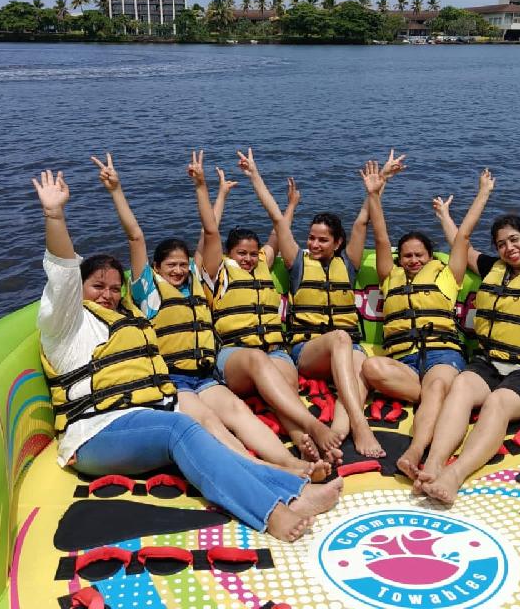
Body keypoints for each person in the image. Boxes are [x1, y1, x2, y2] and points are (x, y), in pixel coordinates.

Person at [30, 168, 343, 541]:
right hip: (94, 432)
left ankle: (296, 490)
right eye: (98, 286)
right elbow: (67, 272)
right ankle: (272, 513)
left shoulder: (128, 318)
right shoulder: (68, 325)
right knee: (181, 428)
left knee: (205, 426)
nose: (108, 295)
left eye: (115, 288)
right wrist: (54, 215)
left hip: (148, 411)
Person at [92, 152, 325, 480]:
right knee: (209, 421)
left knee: (238, 412)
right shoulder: (148, 291)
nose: (178, 270)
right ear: (156, 268)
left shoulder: (197, 283)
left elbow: (210, 232)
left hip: (205, 375)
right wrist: (116, 190)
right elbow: (136, 236)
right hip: (173, 380)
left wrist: (203, 187)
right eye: (170, 265)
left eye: (182, 264)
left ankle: (292, 462)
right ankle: (266, 470)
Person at [414, 205, 520, 506]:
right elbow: (463, 247)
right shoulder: (495, 269)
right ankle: (434, 463)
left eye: (514, 240)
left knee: (497, 402)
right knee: (462, 384)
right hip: (491, 364)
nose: (509, 248)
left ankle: (454, 475)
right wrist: (445, 216)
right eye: (501, 244)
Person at [237, 148, 381, 460]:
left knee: (359, 370)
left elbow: (361, 224)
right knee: (341, 339)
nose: (314, 244)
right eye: (312, 238)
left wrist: (374, 191)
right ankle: (361, 425)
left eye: (322, 240)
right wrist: (254, 175)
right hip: (309, 351)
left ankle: (339, 434)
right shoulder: (298, 263)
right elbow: (277, 219)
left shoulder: (348, 263)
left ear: (338, 243)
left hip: (346, 348)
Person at [360, 165, 496, 484]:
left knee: (435, 385)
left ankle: (416, 451)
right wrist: (374, 194)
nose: (413, 260)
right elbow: (380, 236)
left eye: (419, 255)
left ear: (431, 256)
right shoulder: (389, 276)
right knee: (370, 367)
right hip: (404, 361)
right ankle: (436, 402)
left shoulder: (448, 276)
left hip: (441, 355)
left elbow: (463, 236)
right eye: (407, 256)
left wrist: (483, 193)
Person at [201, 167, 340, 470]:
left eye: (253, 254)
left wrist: (291, 206)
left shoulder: (263, 262)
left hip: (273, 350)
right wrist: (219, 194)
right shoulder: (217, 271)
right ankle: (313, 425)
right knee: (258, 360)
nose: (248, 259)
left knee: (286, 381)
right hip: (235, 358)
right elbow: (209, 231)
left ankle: (303, 445)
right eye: (241, 253)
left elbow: (278, 231)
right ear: (228, 253)